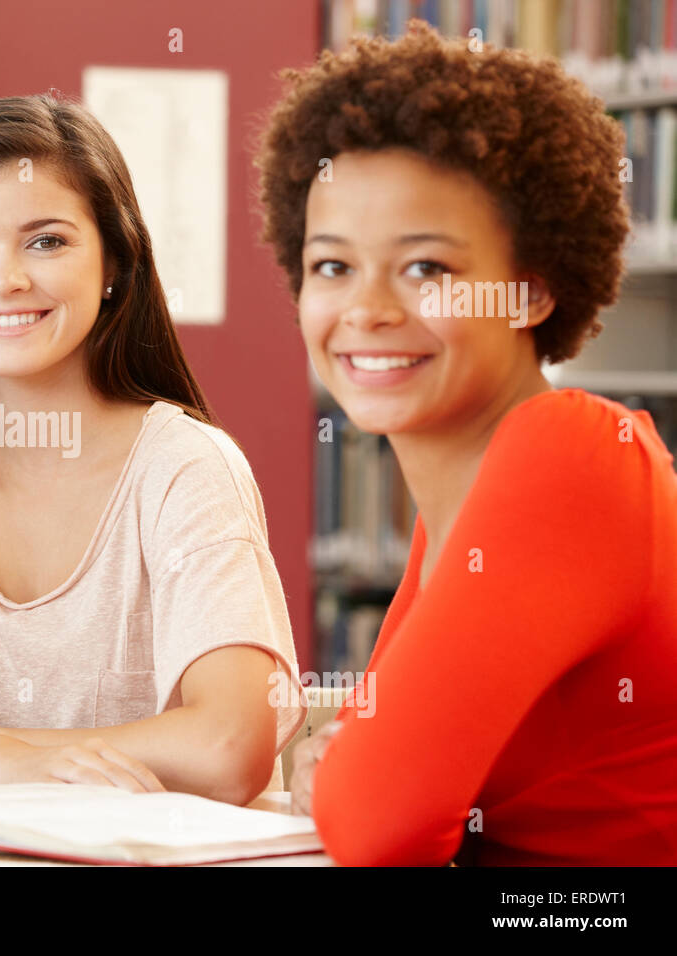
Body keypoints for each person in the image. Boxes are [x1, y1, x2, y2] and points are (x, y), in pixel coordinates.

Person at [258, 22, 677, 863]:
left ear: (531, 293)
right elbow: (373, 772)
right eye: (333, 267)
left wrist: (346, 770)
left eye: (427, 270)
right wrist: (346, 766)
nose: (367, 310)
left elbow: (377, 816)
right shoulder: (459, 492)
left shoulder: (567, 455)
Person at [0, 95, 305, 805]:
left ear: (114, 262)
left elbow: (229, 745)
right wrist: (6, 764)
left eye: (46, 241)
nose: (5, 280)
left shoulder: (185, 467)